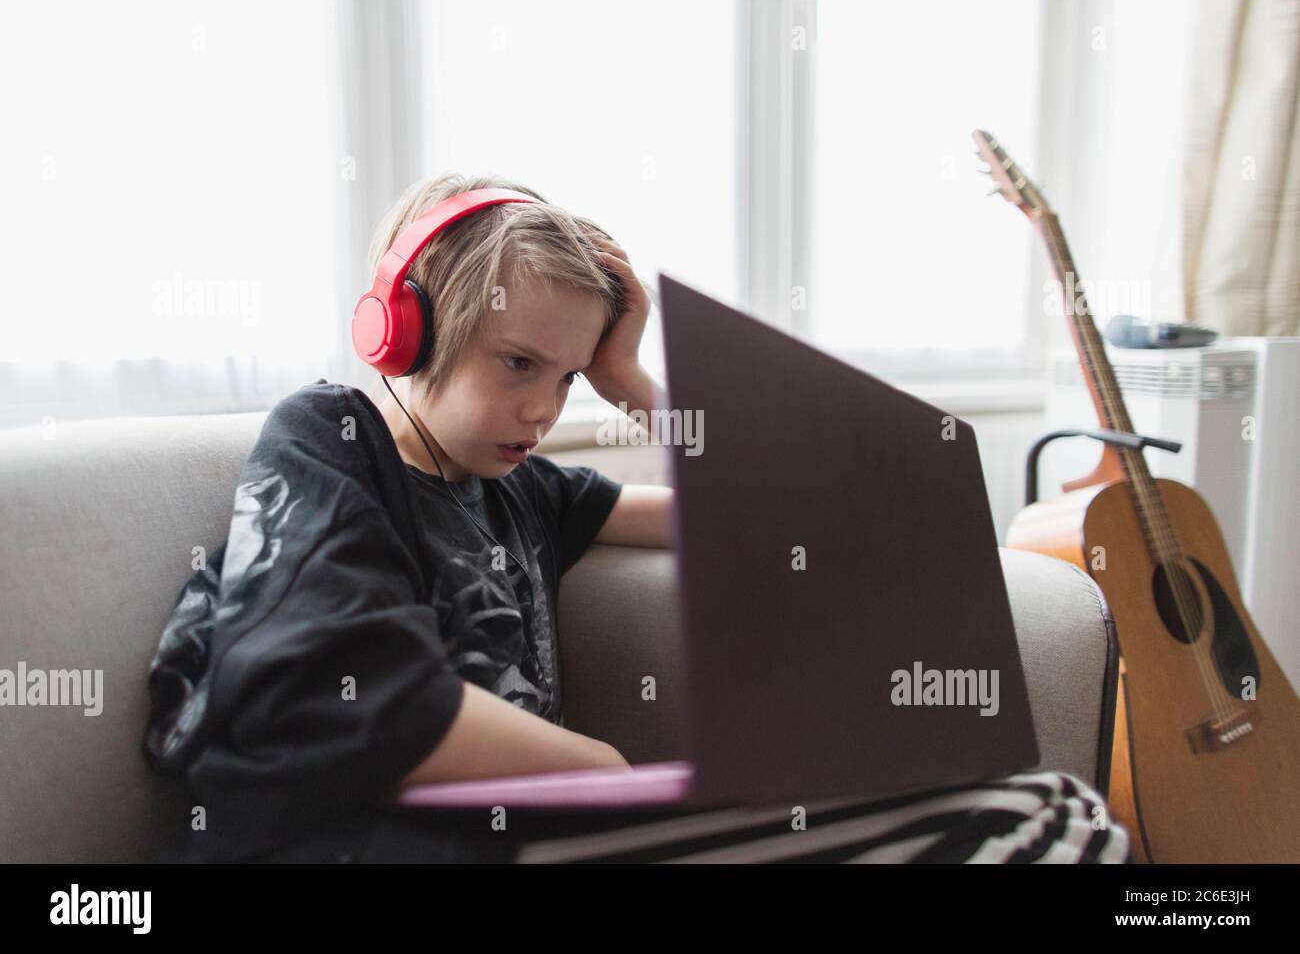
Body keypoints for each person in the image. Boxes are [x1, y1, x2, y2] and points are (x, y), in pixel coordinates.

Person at [142, 173, 1131, 864]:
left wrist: (630, 382)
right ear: (403, 330)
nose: (544, 408)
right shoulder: (329, 438)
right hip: (369, 842)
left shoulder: (524, 490)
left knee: (1035, 806)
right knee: (1043, 817)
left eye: (567, 374)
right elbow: (342, 688)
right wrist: (601, 768)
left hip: (523, 833)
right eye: (518, 362)